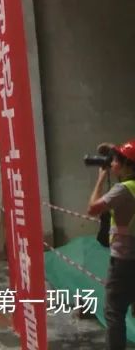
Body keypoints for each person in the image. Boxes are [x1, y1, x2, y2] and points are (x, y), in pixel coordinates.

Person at [87, 139, 135, 350]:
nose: (112, 163)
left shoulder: (123, 190)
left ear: (128, 166)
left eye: (116, 160)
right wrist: (114, 149)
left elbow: (92, 208)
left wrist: (100, 178)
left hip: (124, 261)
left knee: (114, 312)